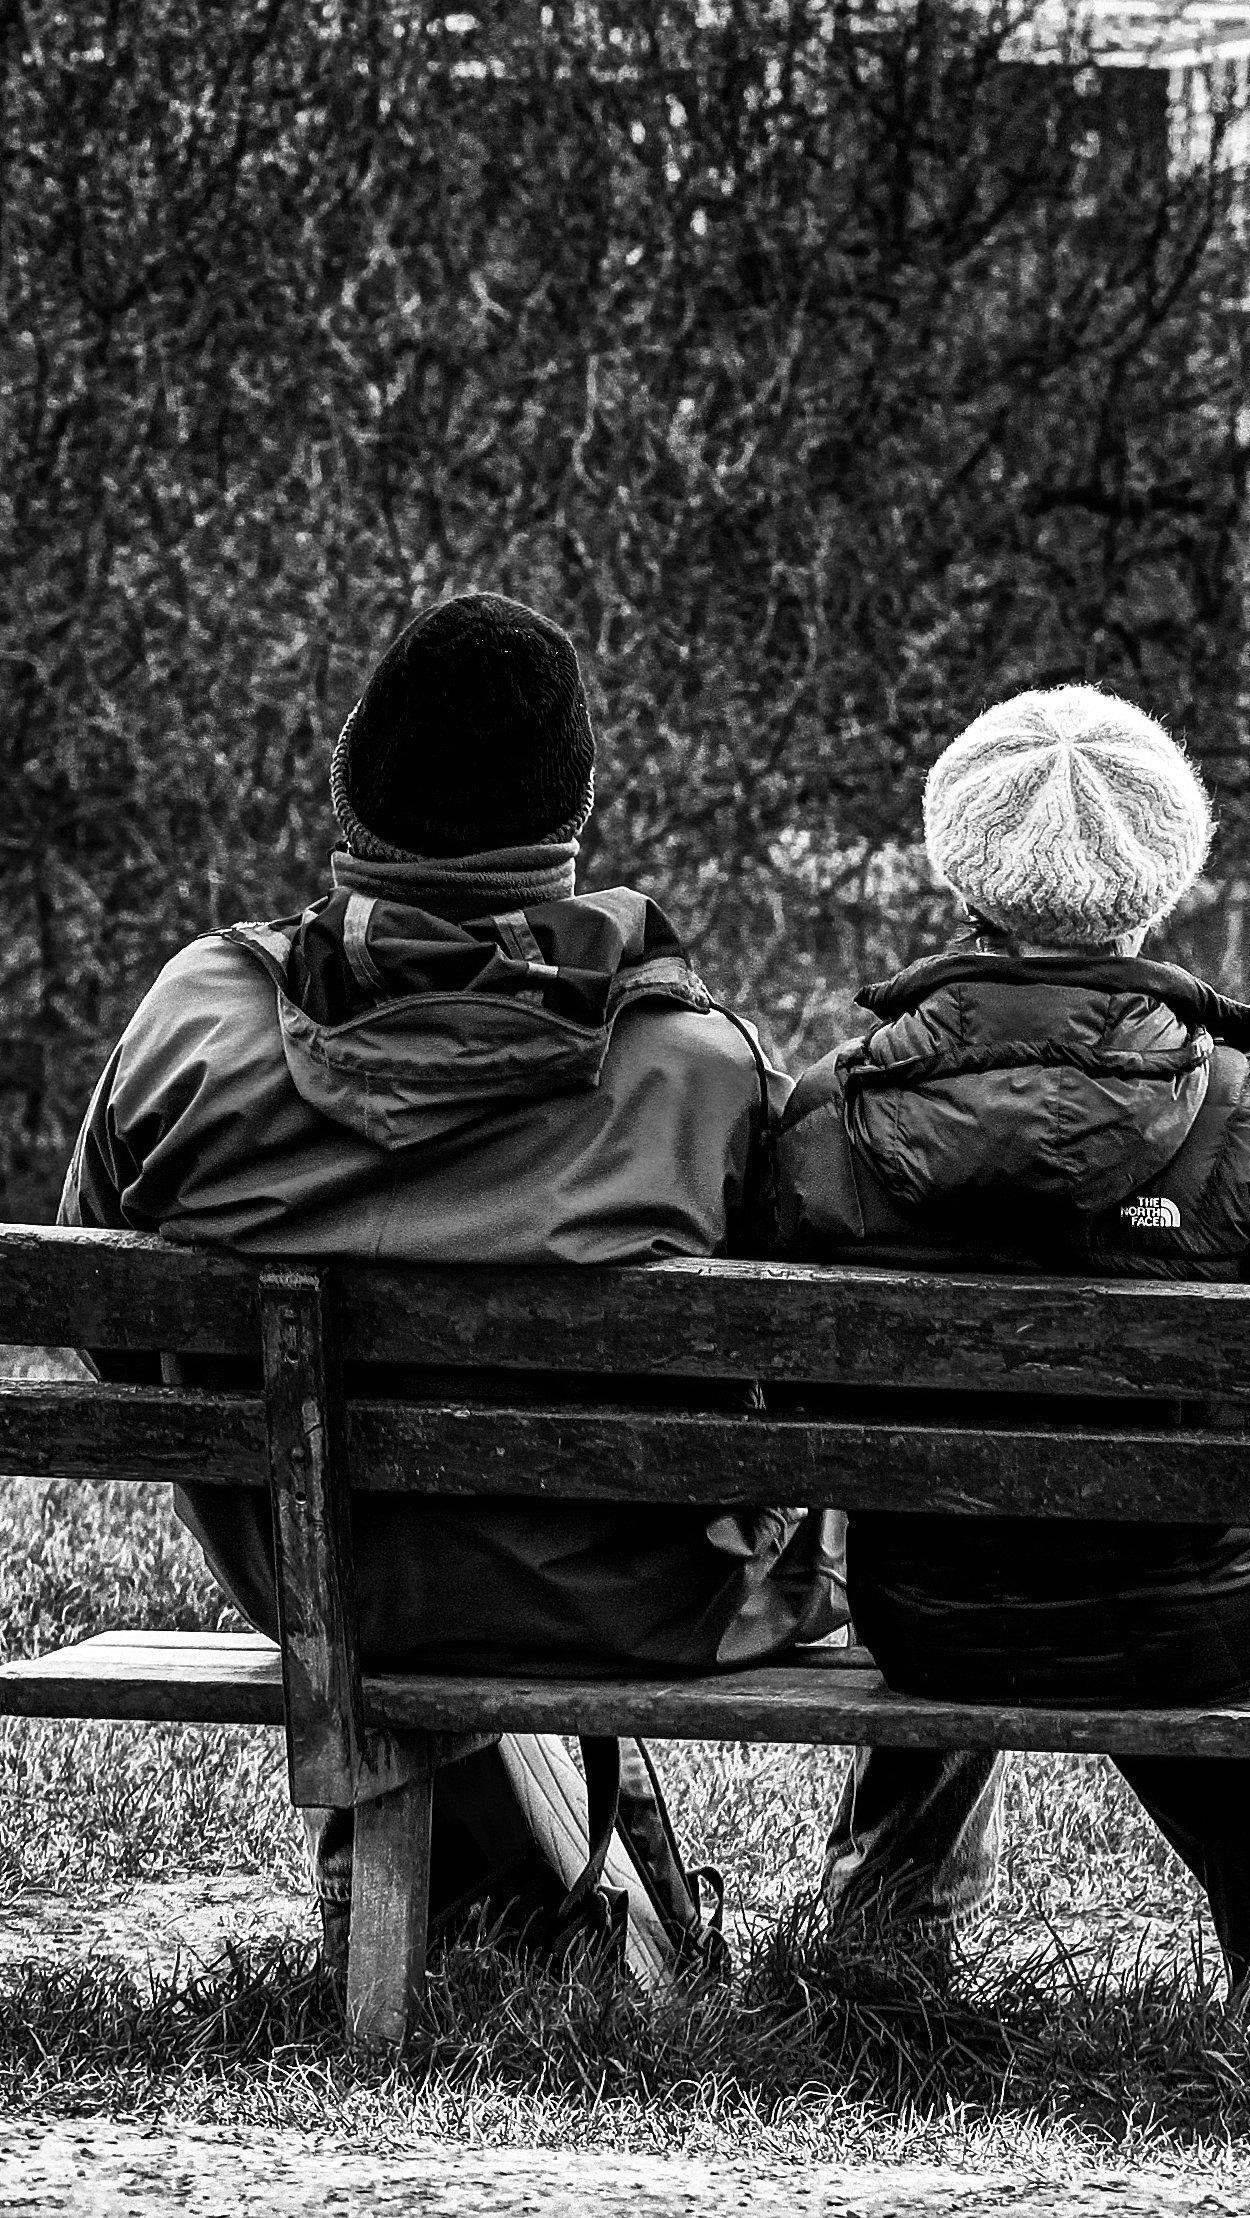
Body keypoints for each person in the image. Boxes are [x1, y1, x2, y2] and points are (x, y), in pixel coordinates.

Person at [59, 590, 829, 1986]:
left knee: (431, 1539)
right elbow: (798, 1370)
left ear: (348, 778)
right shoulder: (695, 1067)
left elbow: (99, 1317)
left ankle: (515, 1933)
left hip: (311, 1568)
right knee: (546, 1534)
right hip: (629, 1595)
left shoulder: (193, 1014)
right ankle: (623, 1938)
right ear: (575, 809)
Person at [775, 683, 1250, 2004]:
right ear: (1161, 874)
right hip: (1197, 1611)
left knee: (984, 1511)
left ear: (962, 867)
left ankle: (885, 1917)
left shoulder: (831, 1109)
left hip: (927, 1605)